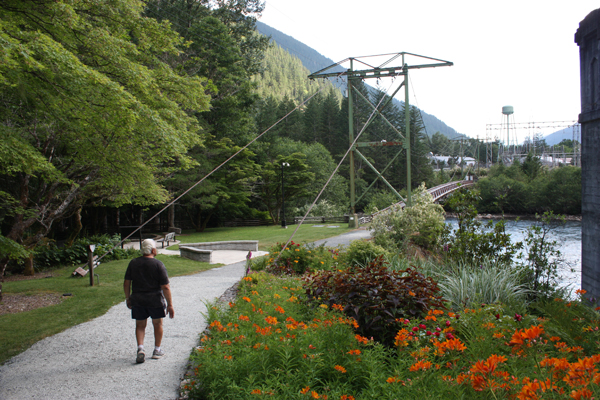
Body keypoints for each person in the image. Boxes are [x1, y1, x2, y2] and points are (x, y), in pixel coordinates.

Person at [124, 239, 175, 364]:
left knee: (140, 325)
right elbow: (165, 287)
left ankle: (140, 348)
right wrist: (170, 305)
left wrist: (128, 298)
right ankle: (157, 350)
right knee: (157, 324)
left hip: (138, 299)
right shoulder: (158, 264)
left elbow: (127, 282)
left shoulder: (133, 263)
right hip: (155, 300)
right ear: (153, 250)